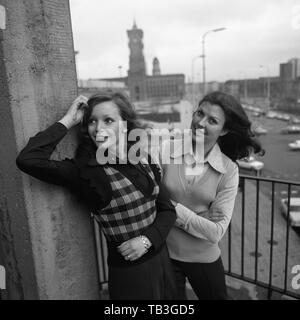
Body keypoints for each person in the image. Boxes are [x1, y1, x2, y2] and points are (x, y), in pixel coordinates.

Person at [16, 91, 176, 300]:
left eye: (108, 120)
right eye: (92, 121)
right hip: (131, 274)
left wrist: (146, 240)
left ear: (125, 124)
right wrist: (68, 121)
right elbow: (29, 159)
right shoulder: (88, 172)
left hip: (162, 259)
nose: (98, 129)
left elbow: (167, 210)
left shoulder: (141, 158)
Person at [158, 91, 264, 300]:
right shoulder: (165, 150)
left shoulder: (229, 170)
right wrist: (198, 217)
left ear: (224, 130)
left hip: (204, 257)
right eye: (199, 113)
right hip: (166, 254)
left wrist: (169, 208)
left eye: (212, 120)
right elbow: (149, 197)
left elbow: (216, 232)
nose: (200, 122)